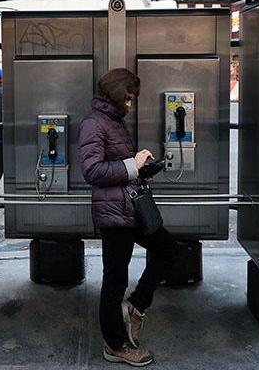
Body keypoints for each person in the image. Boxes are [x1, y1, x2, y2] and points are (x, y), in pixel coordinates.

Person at [79, 68, 178, 367]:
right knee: (114, 280)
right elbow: (92, 171)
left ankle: (135, 307)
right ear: (118, 94)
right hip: (114, 213)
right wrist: (132, 165)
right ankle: (115, 345)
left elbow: (120, 165)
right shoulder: (93, 124)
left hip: (132, 208)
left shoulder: (113, 121)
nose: (130, 105)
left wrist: (142, 168)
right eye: (129, 99)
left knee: (169, 251)